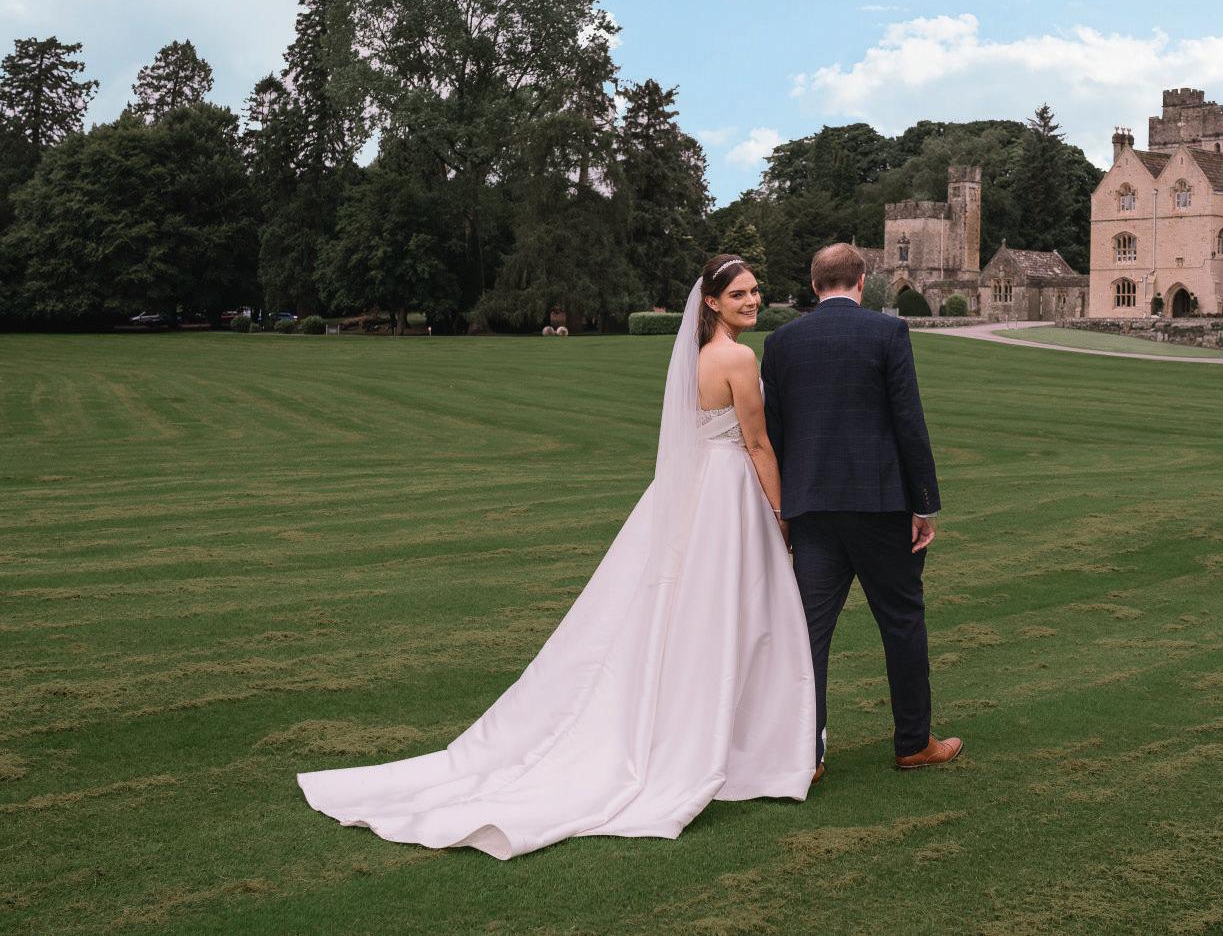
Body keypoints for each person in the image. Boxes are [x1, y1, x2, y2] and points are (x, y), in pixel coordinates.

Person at [297, 255, 816, 860]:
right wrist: (781, 514)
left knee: (688, 612)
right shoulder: (737, 359)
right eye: (741, 294)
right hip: (728, 493)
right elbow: (757, 443)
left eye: (755, 291)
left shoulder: (696, 357)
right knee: (734, 611)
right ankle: (734, 743)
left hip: (692, 490)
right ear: (712, 302)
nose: (753, 301)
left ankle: (708, 731)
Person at [762, 242, 962, 774]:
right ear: (861, 281)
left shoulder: (781, 342)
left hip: (810, 508)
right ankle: (913, 743)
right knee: (901, 622)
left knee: (809, 633)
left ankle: (806, 754)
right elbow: (908, 421)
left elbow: (774, 434)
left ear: (814, 285)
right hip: (880, 505)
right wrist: (924, 504)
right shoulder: (888, 331)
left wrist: (782, 509)